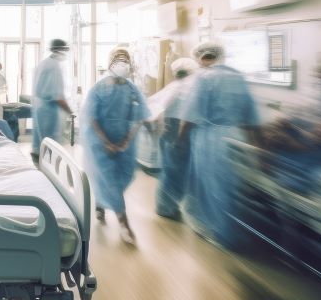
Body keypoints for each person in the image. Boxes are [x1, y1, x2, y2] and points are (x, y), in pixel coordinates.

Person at [177, 40, 260, 247]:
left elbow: (190, 113)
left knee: (210, 187)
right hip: (236, 140)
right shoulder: (237, 76)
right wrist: (256, 148)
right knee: (230, 188)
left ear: (200, 58)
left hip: (210, 139)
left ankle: (218, 232)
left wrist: (180, 137)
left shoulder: (203, 78)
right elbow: (250, 116)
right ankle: (230, 231)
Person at [83, 48, 149, 245]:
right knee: (110, 179)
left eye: (125, 59)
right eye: (118, 60)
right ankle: (124, 224)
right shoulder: (98, 88)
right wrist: (106, 142)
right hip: (100, 142)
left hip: (124, 143)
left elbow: (140, 115)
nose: (122, 63)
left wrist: (127, 141)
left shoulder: (131, 89)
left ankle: (101, 202)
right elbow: (92, 117)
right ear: (110, 63)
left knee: (123, 178)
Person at [150, 57, 198, 220]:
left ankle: (168, 206)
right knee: (175, 171)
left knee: (170, 169)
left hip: (168, 131)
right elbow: (189, 117)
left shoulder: (172, 87)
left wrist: (157, 128)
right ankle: (165, 207)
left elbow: (154, 108)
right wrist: (180, 138)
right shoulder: (187, 88)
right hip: (178, 133)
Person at [31, 39, 73, 162]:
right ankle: (49, 167)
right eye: (65, 50)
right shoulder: (55, 67)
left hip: (39, 107)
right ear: (61, 50)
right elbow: (59, 97)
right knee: (50, 142)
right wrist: (71, 112)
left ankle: (40, 159)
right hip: (49, 111)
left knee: (41, 140)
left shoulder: (43, 64)